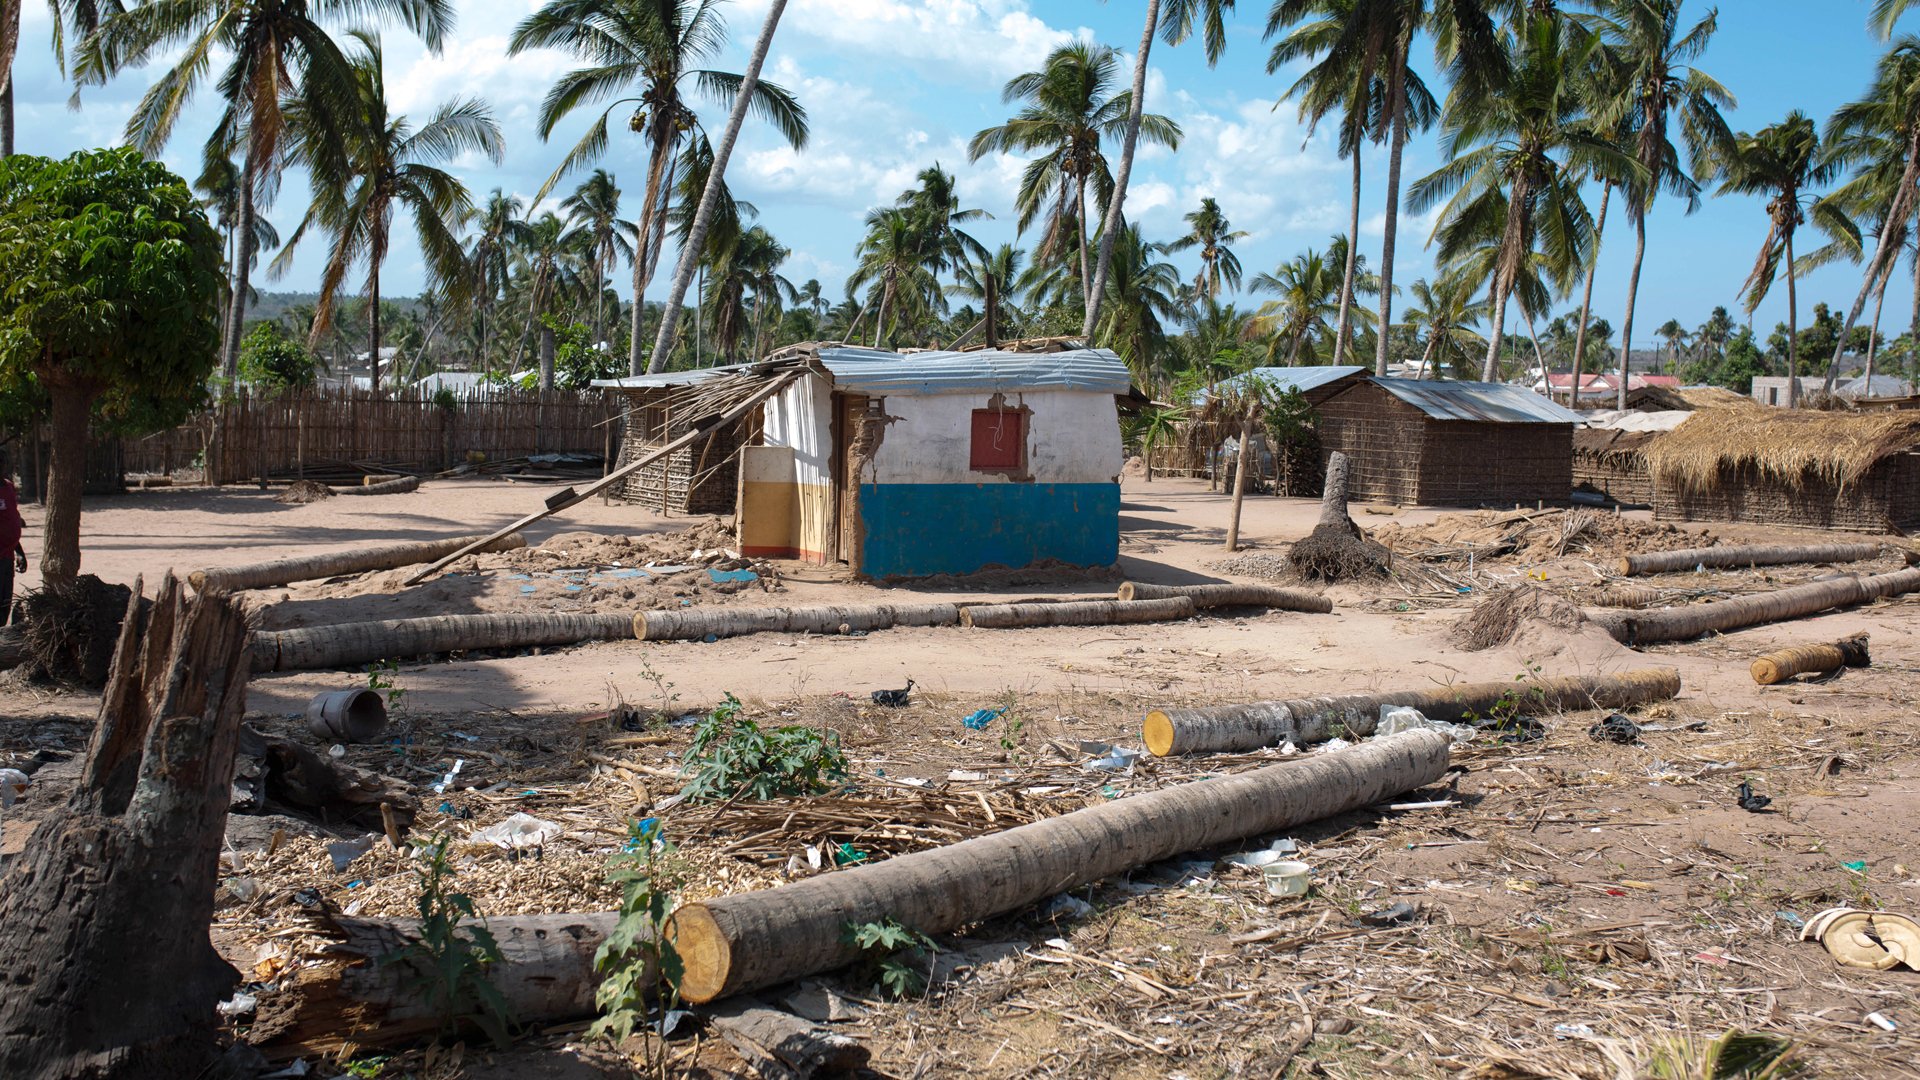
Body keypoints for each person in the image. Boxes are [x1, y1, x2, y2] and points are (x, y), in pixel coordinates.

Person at [0, 452, 24, 625]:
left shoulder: (8, 487)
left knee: (4, 605)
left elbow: (11, 520)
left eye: (2, 462)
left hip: (8, 557)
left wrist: (20, 552)